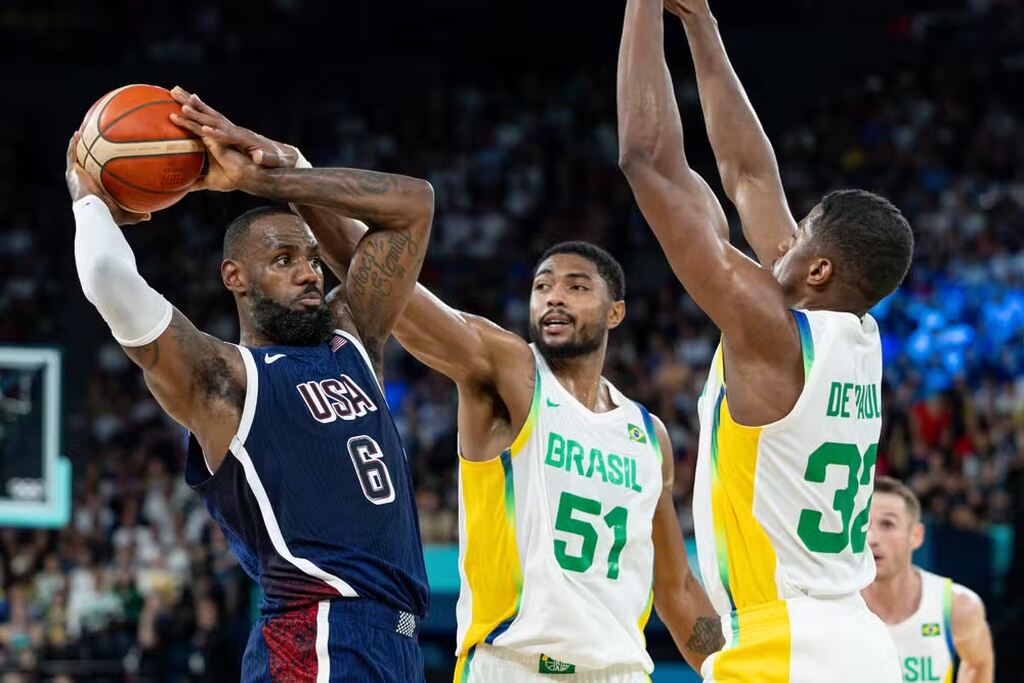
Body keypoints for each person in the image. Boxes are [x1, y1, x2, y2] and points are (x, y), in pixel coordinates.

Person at [170, 88, 723, 681]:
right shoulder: (508, 372)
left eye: (576, 285)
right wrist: (293, 176)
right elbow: (388, 285)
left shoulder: (649, 435)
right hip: (514, 666)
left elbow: (678, 587)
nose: (555, 295)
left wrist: (729, 666)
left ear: (616, 311)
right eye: (542, 285)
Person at [66, 95, 435, 681]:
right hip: (316, 636)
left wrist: (277, 172)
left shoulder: (353, 337)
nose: (310, 271)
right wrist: (88, 198)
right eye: (284, 259)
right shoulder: (224, 381)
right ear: (234, 277)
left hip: (399, 641)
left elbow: (415, 203)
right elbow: (109, 278)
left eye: (312, 258)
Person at [617, 0, 914, 680]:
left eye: (800, 231)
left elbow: (648, 161)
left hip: (785, 645)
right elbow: (749, 175)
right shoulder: (855, 335)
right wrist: (699, 22)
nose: (781, 235)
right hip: (860, 642)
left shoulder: (772, 333)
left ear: (818, 268)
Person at [863, 477, 994, 682]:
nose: (872, 538)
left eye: (887, 524)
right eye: (864, 525)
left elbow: (978, 663)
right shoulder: (835, 604)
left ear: (916, 535)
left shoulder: (958, 606)